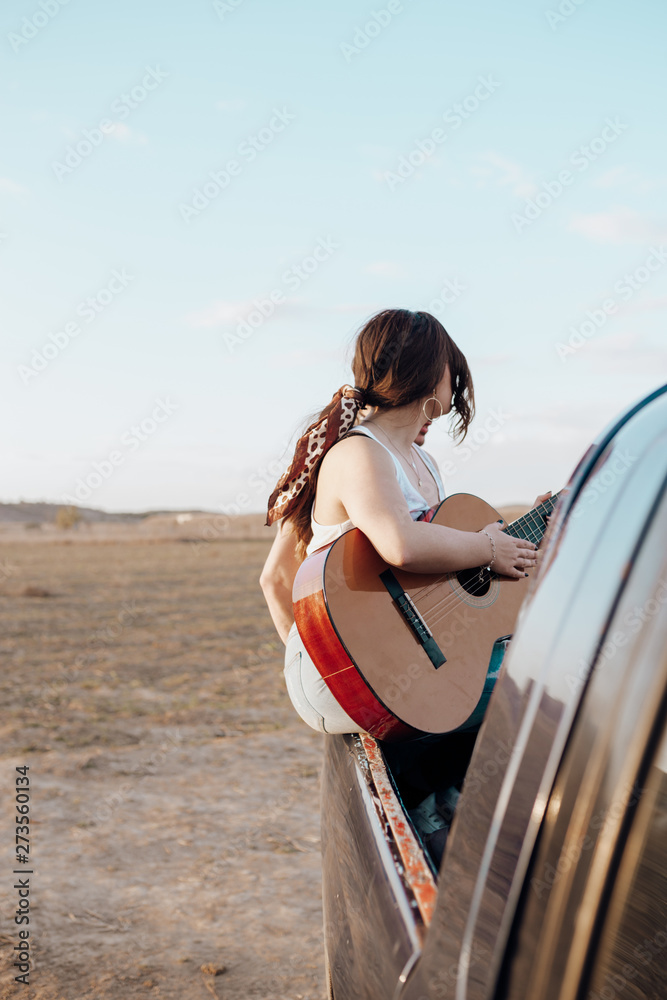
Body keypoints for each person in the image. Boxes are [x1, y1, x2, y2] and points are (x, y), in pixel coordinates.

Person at [260, 308, 547, 736]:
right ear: (432, 374)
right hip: (345, 673)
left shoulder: (425, 464)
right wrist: (333, 659)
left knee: (549, 659)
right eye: (452, 371)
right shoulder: (358, 453)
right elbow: (402, 545)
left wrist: (529, 531)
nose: (458, 384)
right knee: (549, 688)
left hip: (411, 658)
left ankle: (451, 796)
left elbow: (442, 568)